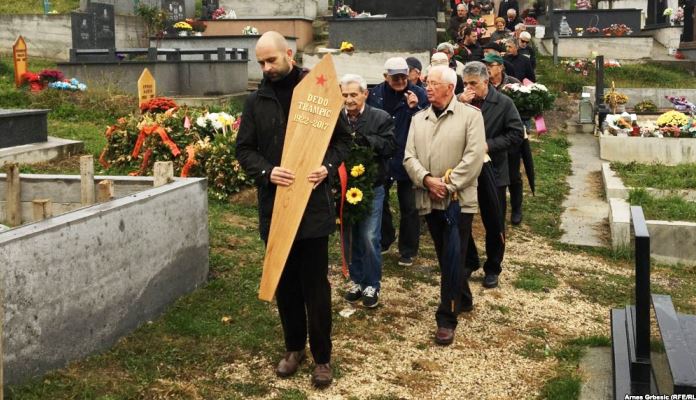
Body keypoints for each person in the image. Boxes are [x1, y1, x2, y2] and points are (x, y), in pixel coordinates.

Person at [235, 31, 351, 388]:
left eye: (271, 60)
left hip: (313, 210)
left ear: (289, 53)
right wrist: (268, 172)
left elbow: (344, 141)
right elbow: (244, 150)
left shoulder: (319, 90)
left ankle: (322, 358)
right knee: (286, 284)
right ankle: (293, 348)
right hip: (276, 207)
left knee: (315, 286)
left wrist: (327, 169)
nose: (267, 68)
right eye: (261, 63)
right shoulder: (256, 102)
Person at [403, 65, 485, 346]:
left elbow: (474, 158)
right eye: (426, 82)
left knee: (451, 256)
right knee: (445, 254)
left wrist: (446, 185)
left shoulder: (471, 117)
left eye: (433, 83)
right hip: (429, 198)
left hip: (456, 202)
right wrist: (426, 180)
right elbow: (409, 156)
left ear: (450, 88)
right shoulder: (419, 119)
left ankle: (446, 319)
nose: (426, 87)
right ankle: (462, 297)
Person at [458, 61, 523, 289]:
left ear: (486, 81)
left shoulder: (503, 103)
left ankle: (493, 267)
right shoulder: (459, 102)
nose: (469, 88)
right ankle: (469, 261)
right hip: (465, 171)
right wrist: (458, 105)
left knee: (494, 222)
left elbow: (516, 133)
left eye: (473, 83)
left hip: (493, 170)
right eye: (465, 83)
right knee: (462, 218)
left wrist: (489, 145)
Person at [340, 74, 396, 308]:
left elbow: (391, 146)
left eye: (354, 94)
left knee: (370, 236)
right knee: (350, 236)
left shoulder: (380, 117)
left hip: (372, 186)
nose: (349, 100)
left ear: (365, 94)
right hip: (344, 187)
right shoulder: (336, 119)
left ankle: (372, 283)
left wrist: (367, 141)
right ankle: (356, 280)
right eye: (345, 95)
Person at [370, 57, 429, 267]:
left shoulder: (420, 94)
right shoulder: (375, 94)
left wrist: (415, 108)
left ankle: (408, 249)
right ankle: (386, 238)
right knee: (380, 200)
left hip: (408, 157)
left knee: (409, 206)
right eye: (395, 77)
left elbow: (429, 125)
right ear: (386, 77)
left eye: (403, 76)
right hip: (384, 157)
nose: (400, 81)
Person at [482, 53, 525, 226]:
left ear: (500, 67)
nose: (488, 69)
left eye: (490, 66)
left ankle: (517, 208)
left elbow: (524, 105)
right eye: (485, 66)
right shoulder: (482, 85)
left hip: (510, 138)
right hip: (493, 139)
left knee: (513, 176)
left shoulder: (513, 83)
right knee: (496, 179)